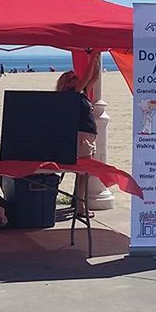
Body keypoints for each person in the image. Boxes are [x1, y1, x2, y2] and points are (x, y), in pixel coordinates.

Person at [56, 53, 100, 218]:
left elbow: (93, 77)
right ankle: (81, 208)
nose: (78, 78)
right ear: (67, 83)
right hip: (82, 137)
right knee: (83, 173)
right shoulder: (71, 93)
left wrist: (96, 59)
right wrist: (93, 55)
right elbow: (88, 76)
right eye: (74, 77)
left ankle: (79, 204)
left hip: (88, 136)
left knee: (84, 173)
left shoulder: (81, 94)